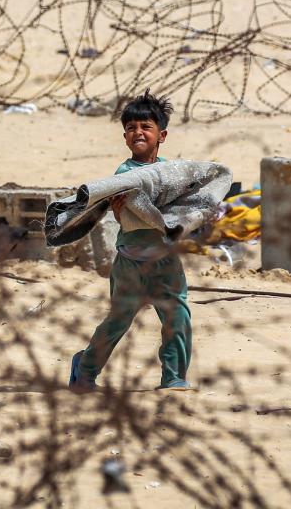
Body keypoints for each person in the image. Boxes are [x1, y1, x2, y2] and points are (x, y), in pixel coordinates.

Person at [68, 90, 193, 392]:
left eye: (146, 127)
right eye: (131, 128)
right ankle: (84, 370)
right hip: (131, 262)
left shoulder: (170, 172)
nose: (138, 132)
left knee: (177, 317)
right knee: (118, 321)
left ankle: (174, 376)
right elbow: (135, 212)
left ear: (161, 135)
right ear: (125, 137)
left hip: (165, 260)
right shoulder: (125, 174)